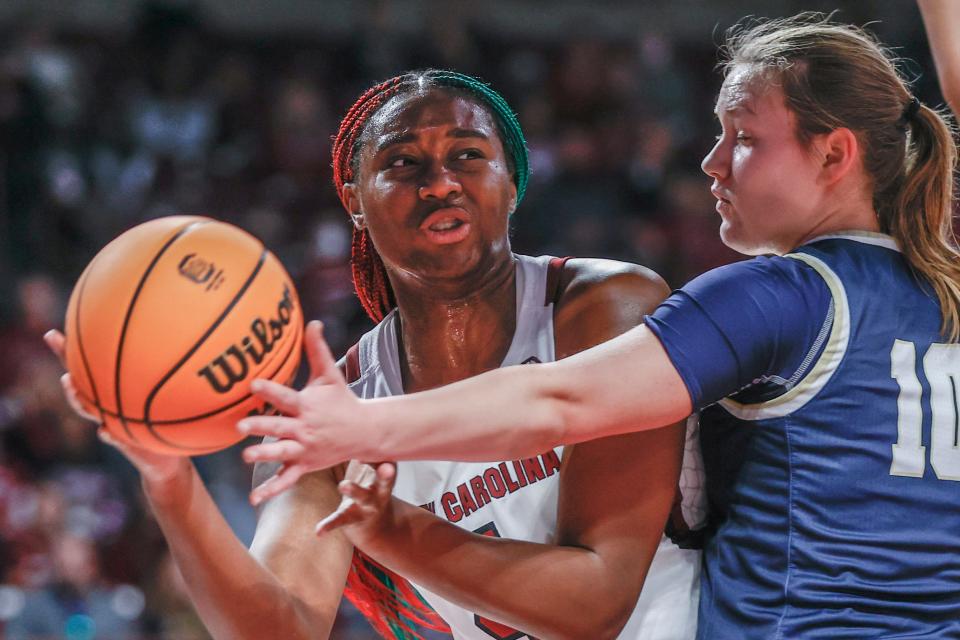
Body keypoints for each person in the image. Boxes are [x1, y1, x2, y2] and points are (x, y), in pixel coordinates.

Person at [239, 16, 960, 639]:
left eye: (741, 137)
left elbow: (561, 401)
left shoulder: (782, 295)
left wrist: (362, 428)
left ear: (835, 154)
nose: (710, 162)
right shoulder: (944, 293)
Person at [48, 69, 704, 639]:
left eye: (469, 155)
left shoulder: (604, 306)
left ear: (512, 183)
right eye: (402, 163)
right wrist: (169, 481)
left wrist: (390, 527)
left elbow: (598, 606)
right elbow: (279, 629)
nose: (440, 182)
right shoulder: (340, 408)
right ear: (354, 201)